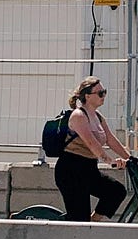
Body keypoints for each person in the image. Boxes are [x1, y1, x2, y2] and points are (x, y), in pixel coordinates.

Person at [54, 77, 129, 222]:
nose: (103, 96)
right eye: (100, 93)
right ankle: (82, 229)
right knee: (79, 220)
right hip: (71, 171)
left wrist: (130, 158)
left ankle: (93, 223)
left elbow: (110, 139)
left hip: (89, 169)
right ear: (87, 96)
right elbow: (91, 143)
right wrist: (110, 161)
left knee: (116, 191)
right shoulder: (78, 116)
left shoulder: (98, 117)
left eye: (104, 92)